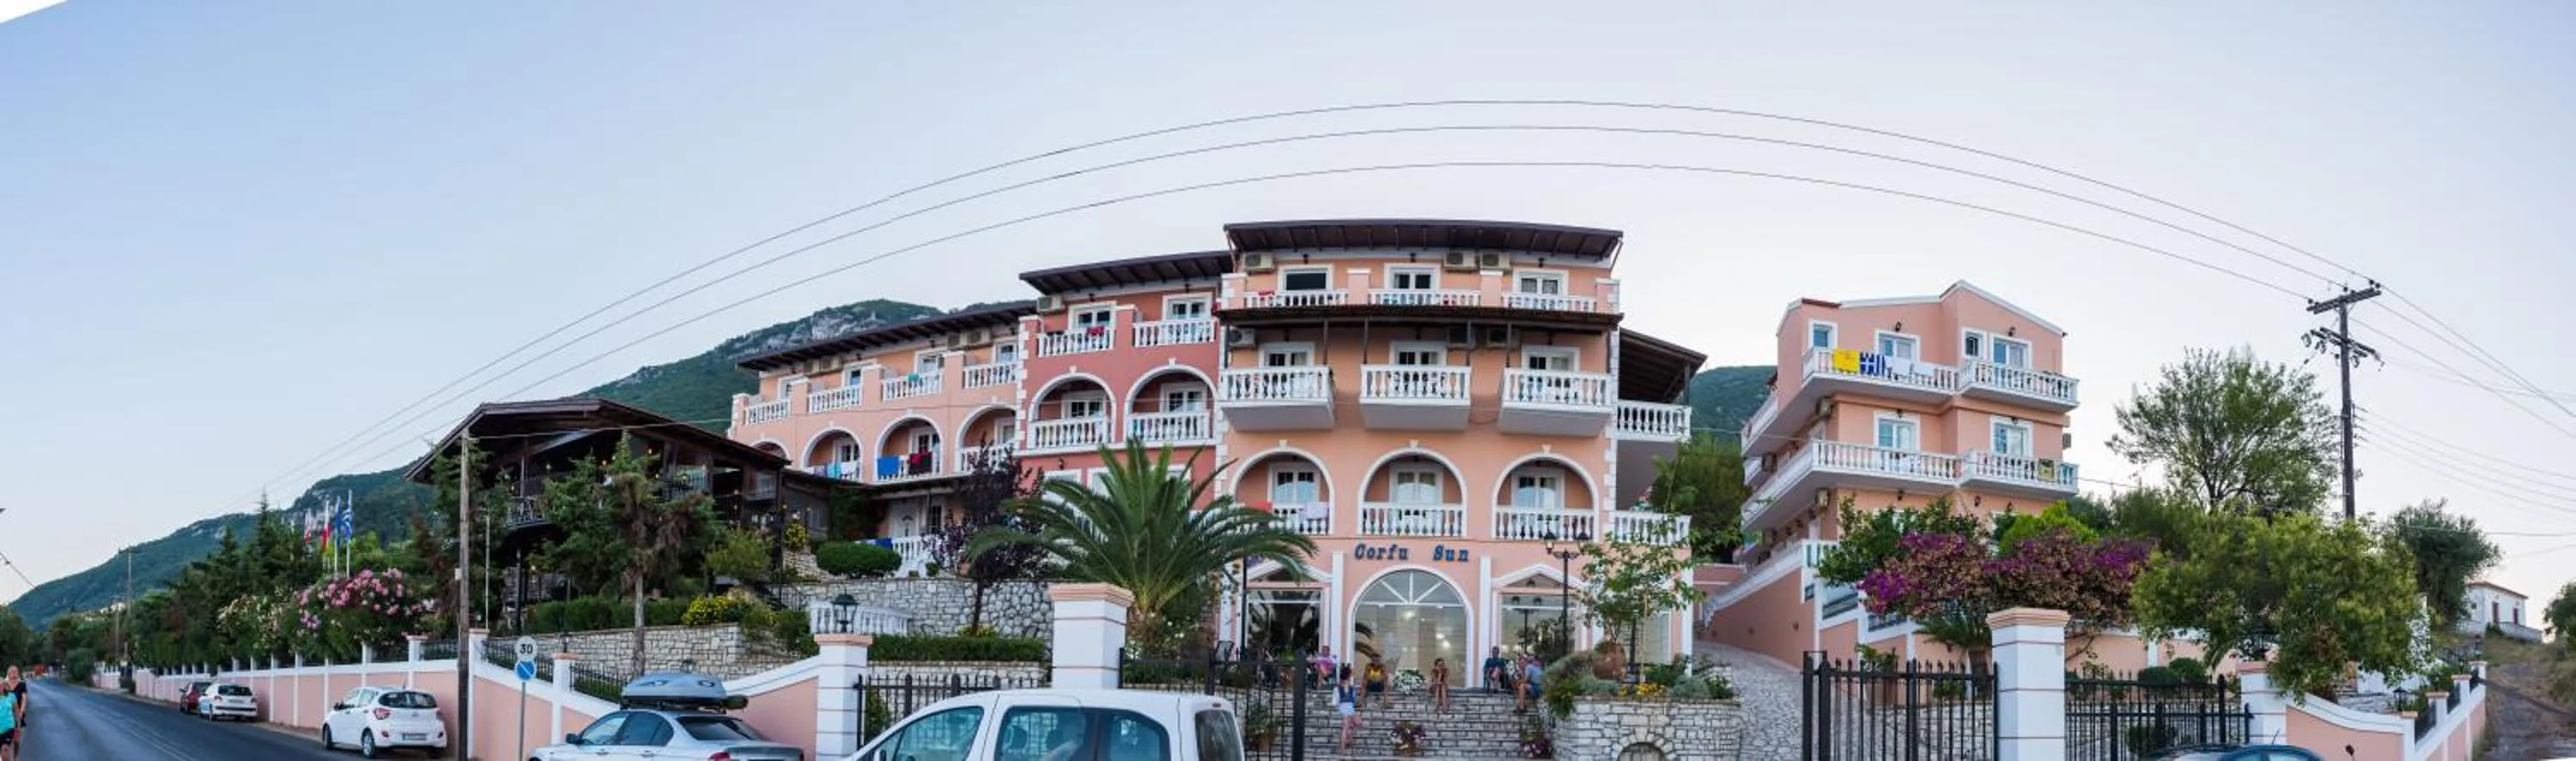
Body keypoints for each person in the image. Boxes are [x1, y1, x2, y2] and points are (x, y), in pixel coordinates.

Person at [1334, 666, 1360, 753]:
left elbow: (1336, 701)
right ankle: (1342, 748)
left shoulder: (1344, 687)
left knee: (1357, 723)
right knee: (1346, 728)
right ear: (1349, 675)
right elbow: (1352, 699)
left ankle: (1348, 739)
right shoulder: (1344, 687)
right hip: (1346, 707)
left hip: (1348, 708)